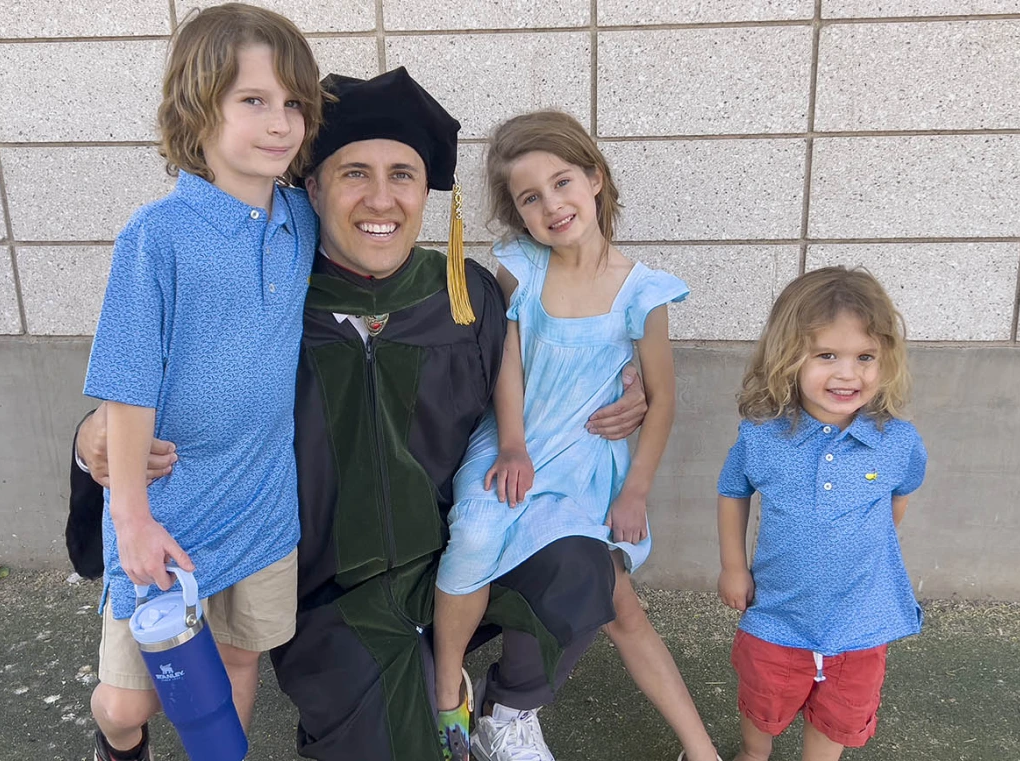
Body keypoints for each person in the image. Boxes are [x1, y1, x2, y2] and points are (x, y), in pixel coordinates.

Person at [70, 68, 650, 761]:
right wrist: (88, 441)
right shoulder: (267, 298)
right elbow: (153, 398)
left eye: (403, 174)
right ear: (309, 187)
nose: (383, 198)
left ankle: (505, 709)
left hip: (455, 562)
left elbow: (533, 392)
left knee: (580, 564)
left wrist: (619, 384)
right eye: (354, 174)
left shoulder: (462, 298)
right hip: (332, 594)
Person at [431, 110, 722, 761]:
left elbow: (662, 395)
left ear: (595, 178)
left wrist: (637, 490)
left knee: (613, 599)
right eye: (530, 197)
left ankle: (696, 749)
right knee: (477, 532)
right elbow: (506, 360)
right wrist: (510, 442)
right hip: (518, 444)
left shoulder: (641, 291)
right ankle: (447, 685)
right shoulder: (521, 269)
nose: (551, 205)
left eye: (562, 182)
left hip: (586, 468)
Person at [78, 5, 324, 760]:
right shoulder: (157, 235)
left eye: (293, 103)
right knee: (129, 699)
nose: (280, 121)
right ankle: (121, 744)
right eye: (253, 100)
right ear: (198, 104)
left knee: (238, 662)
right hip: (165, 511)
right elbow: (124, 380)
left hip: (260, 500)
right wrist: (131, 522)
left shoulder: (301, 220)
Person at [716, 266, 928, 761]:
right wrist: (732, 565)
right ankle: (753, 753)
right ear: (788, 357)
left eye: (865, 357)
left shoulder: (896, 441)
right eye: (826, 355)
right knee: (762, 697)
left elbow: (900, 494)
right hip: (775, 613)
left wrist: (873, 541)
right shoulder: (763, 436)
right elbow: (732, 491)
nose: (848, 373)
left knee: (843, 708)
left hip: (861, 619)